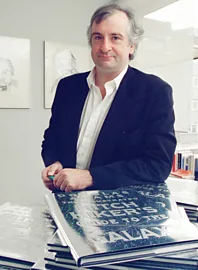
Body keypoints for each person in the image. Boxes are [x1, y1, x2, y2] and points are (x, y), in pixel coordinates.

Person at [40, 3, 177, 192]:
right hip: (65, 200)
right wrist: (54, 163)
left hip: (119, 211)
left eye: (115, 38)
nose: (105, 47)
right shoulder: (67, 87)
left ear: (131, 46)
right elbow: (51, 139)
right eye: (98, 37)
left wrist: (90, 177)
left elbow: (157, 165)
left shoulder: (154, 92)